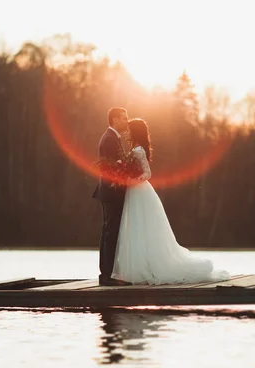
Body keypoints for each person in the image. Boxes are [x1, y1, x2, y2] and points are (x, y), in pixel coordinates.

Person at [111, 118, 228, 284]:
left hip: (140, 192)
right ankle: (138, 267)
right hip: (133, 192)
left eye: (130, 129)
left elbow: (147, 173)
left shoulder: (138, 151)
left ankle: (149, 267)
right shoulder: (133, 149)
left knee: (143, 227)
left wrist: (132, 180)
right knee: (135, 228)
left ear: (135, 131)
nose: (127, 132)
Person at [92, 107, 132, 286]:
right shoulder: (109, 139)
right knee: (110, 232)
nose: (127, 121)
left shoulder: (112, 138)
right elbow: (109, 169)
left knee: (110, 232)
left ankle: (108, 273)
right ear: (115, 120)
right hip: (111, 192)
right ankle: (106, 276)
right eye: (124, 118)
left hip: (111, 192)